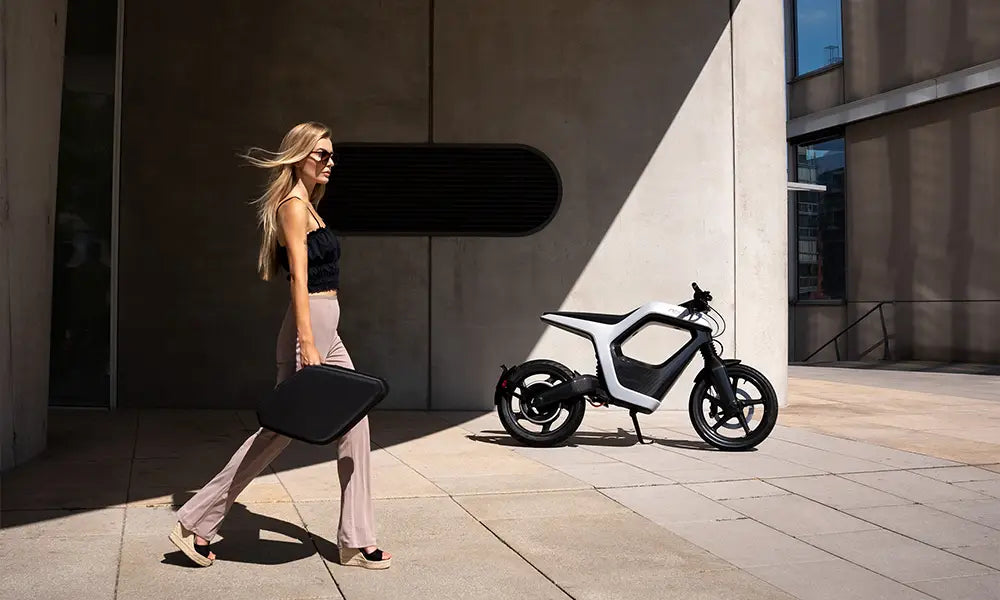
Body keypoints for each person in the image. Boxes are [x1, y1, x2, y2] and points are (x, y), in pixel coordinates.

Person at [168, 121, 391, 570]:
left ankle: (355, 537)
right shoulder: (292, 205)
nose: (329, 162)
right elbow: (300, 279)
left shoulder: (311, 205)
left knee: (356, 420)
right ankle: (195, 523)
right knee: (279, 430)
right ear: (300, 156)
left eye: (332, 155)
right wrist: (307, 342)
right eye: (320, 154)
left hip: (327, 325)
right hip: (310, 326)